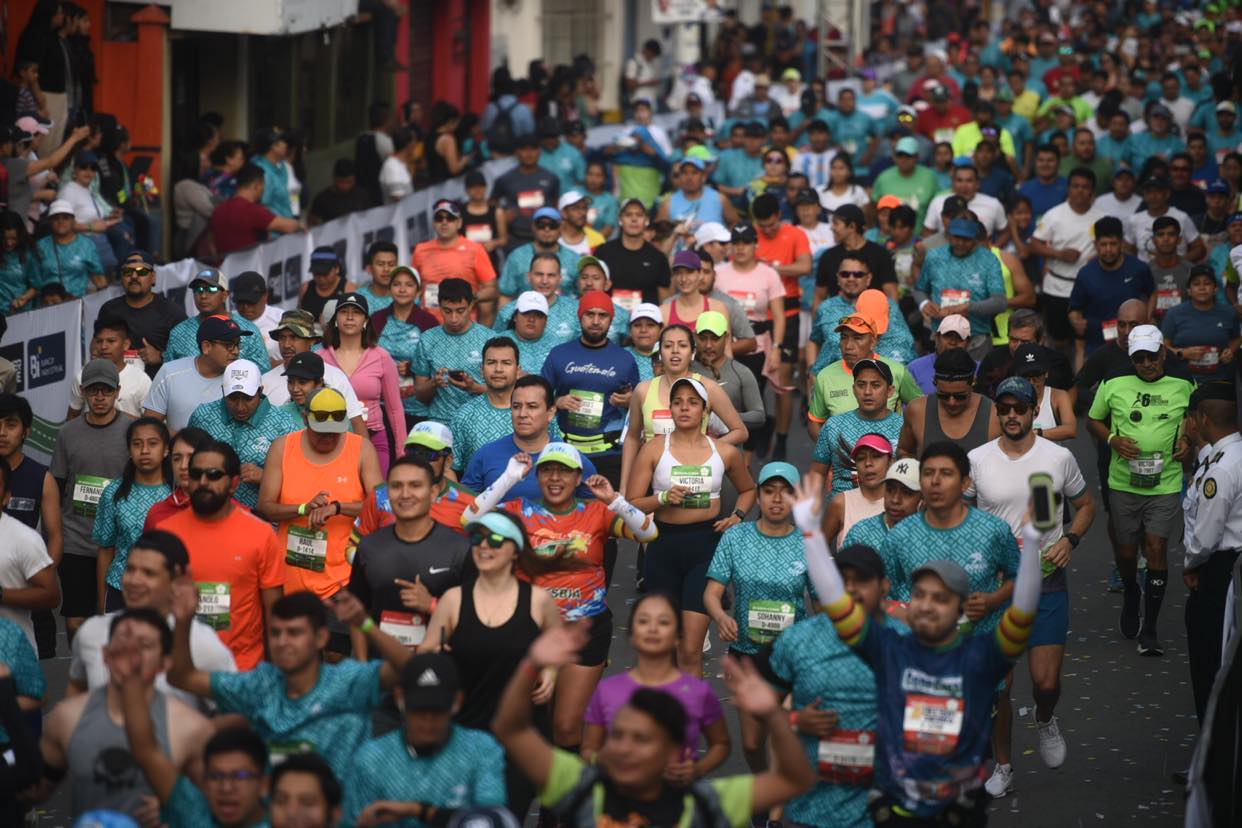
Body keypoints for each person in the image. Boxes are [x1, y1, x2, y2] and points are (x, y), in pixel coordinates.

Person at [792, 467, 1042, 824]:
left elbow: (1023, 611)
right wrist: (810, 532)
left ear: (960, 607)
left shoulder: (981, 656)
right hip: (894, 811)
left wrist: (1032, 543)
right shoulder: (890, 649)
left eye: (940, 598)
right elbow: (836, 602)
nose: (925, 604)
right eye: (920, 594)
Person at [492, 623, 814, 827]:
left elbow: (794, 779)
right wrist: (531, 665)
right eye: (617, 735)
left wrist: (773, 715)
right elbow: (511, 730)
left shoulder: (709, 802)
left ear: (674, 749)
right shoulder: (580, 786)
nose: (624, 748)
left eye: (642, 739)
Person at [463, 443, 658, 758]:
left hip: (585, 628)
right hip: (530, 628)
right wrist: (508, 478)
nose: (555, 478)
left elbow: (648, 533)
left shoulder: (596, 512)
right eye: (548, 470)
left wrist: (614, 500)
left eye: (564, 471)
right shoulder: (519, 510)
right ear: (538, 475)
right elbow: (470, 521)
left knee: (566, 728)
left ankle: (566, 800)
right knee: (529, 721)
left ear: (579, 477)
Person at [967, 376, 1095, 798]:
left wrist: (1070, 539)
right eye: (1004, 409)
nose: (1011, 416)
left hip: (1046, 581)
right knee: (999, 688)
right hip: (996, 584)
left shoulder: (1057, 457)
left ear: (1032, 410)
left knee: (1045, 683)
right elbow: (958, 511)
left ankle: (1045, 717)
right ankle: (1003, 765)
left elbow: (1086, 505)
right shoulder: (978, 459)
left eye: (1019, 409)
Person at [166, 585, 400, 784]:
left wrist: (366, 625)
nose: (282, 642)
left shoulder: (350, 682)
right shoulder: (260, 684)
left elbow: (410, 670)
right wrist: (184, 621)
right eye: (276, 633)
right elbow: (183, 677)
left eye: (294, 633)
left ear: (321, 638)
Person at [625, 377, 756, 675]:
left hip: (705, 548)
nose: (684, 408)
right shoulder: (654, 449)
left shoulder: (723, 451)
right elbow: (632, 503)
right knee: (665, 650)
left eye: (692, 402)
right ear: (670, 408)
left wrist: (736, 515)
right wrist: (662, 498)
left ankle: (694, 718)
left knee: (690, 651)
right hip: (662, 547)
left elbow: (749, 489)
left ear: (705, 411)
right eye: (678, 402)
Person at [768, 543, 896, 827]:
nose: (849, 589)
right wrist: (796, 719)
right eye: (841, 581)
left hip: (887, 809)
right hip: (813, 810)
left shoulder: (909, 643)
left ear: (884, 586)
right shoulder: (797, 640)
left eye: (861, 580)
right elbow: (767, 714)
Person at [38, 608, 212, 818]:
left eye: (144, 645)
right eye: (122, 644)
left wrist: (177, 805)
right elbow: (31, 790)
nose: (131, 654)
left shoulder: (190, 728)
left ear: (165, 663)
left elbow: (219, 803)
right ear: (105, 654)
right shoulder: (66, 718)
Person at [1087, 325, 1194, 656]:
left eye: (1152, 356)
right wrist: (1112, 439)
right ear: (1132, 358)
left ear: (1163, 352)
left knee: (1157, 547)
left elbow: (1196, 416)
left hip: (1165, 481)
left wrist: (1188, 441)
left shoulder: (1183, 383)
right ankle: (1132, 590)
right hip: (1124, 482)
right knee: (1127, 551)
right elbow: (1093, 419)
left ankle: (1150, 629)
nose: (1146, 363)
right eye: (1139, 358)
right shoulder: (1114, 383)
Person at [258, 388, 381, 655]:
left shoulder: (361, 449)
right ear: (305, 418)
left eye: (334, 431)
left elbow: (380, 505)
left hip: (342, 577)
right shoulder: (283, 447)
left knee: (337, 654)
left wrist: (337, 508)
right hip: (292, 575)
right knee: (294, 655)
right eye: (320, 431)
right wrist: (303, 508)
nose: (328, 438)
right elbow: (265, 506)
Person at [704, 461, 810, 771]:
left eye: (785, 492)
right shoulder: (736, 538)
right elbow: (711, 592)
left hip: (792, 656)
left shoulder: (808, 541)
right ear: (759, 497)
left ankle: (774, 815)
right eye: (769, 491)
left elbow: (823, 601)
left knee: (783, 734)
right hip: (746, 655)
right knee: (752, 742)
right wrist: (721, 618)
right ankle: (765, 791)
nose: (777, 499)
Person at [70, 528, 236, 705]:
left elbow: (234, 711)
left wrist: (194, 730)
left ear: (177, 579)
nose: (134, 581)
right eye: (130, 569)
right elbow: (77, 686)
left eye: (149, 573)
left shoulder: (203, 644)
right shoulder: (92, 631)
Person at [339, 650, 507, 825]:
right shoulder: (369, 759)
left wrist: (419, 811)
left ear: (457, 701)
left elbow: (493, 820)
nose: (428, 720)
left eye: (437, 710)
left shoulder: (482, 750)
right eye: (419, 709)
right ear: (399, 698)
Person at [582, 592, 730, 779]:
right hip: (619, 801)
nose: (653, 628)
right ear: (631, 634)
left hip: (677, 799)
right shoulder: (607, 690)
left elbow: (721, 744)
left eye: (663, 622)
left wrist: (698, 769)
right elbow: (589, 749)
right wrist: (607, 760)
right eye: (643, 621)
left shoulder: (698, 692)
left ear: (678, 636)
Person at [347, 456, 470, 654]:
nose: (405, 494)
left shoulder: (460, 550)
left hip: (438, 671)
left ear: (433, 492)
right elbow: (358, 614)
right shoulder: (370, 547)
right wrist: (363, 669)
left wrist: (431, 605)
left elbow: (474, 620)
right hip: (380, 671)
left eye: (415, 485)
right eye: (396, 486)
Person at [51, 359, 129, 645]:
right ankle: (81, 671)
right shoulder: (67, 433)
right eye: (93, 391)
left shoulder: (132, 431)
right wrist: (55, 534)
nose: (99, 397)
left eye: (106, 391)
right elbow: (56, 484)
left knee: (113, 621)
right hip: (77, 541)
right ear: (83, 392)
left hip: (118, 543)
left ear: (117, 392)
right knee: (75, 622)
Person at [1181, 383, 1242, 724]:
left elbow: (1206, 536)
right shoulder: (1232, 455)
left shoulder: (1220, 468)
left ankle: (1211, 758)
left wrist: (1191, 564)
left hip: (1220, 572)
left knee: (1209, 663)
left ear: (1203, 419)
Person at [541, 291, 640, 482]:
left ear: (611, 319)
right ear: (580, 316)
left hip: (609, 454)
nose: (596, 321)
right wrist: (557, 401)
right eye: (590, 314)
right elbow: (537, 398)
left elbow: (640, 405)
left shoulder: (625, 359)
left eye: (602, 315)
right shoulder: (559, 354)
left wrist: (631, 401)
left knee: (606, 511)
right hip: (565, 450)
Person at [463, 375, 600, 503]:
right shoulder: (486, 455)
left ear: (550, 412)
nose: (522, 414)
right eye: (516, 407)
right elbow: (463, 506)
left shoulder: (573, 459)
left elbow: (593, 510)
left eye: (532, 407)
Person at [186, 359, 300, 508]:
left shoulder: (284, 425)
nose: (240, 407)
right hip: (208, 513)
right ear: (223, 390)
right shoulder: (203, 416)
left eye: (247, 398)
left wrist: (265, 478)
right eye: (232, 398)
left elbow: (300, 479)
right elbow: (185, 461)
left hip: (260, 521)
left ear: (260, 391)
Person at [318, 292, 406, 474]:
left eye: (356, 313)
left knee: (374, 497)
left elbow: (395, 409)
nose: (350, 317)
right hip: (331, 440)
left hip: (374, 438)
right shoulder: (320, 357)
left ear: (365, 320)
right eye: (344, 312)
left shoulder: (381, 356)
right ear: (335, 319)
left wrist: (401, 452)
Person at [92, 417, 172, 612]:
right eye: (137, 444)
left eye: (153, 443)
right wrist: (102, 604)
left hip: (166, 592)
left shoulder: (178, 492)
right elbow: (105, 550)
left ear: (166, 450)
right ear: (129, 450)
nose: (144, 451)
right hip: (121, 589)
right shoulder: (114, 492)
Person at [1028, 167, 1108, 353]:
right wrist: (1059, 254)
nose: (1080, 190)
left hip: (1090, 287)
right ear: (1068, 188)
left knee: (1087, 339)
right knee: (1059, 340)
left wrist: (1098, 259)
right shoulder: (1054, 215)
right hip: (1057, 286)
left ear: (1092, 191)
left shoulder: (1102, 218)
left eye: (1085, 187)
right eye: (1075, 186)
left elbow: (1115, 246)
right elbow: (1034, 243)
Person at [807, 316, 922, 439]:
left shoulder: (897, 371)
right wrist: (829, 449)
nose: (848, 346)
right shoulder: (825, 376)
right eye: (844, 337)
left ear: (873, 342)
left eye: (857, 338)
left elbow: (921, 409)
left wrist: (907, 447)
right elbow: (815, 421)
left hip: (888, 455)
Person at [810, 358, 906, 497]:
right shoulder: (833, 426)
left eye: (876, 385)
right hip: (843, 511)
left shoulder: (904, 427)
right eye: (861, 385)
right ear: (854, 390)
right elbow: (817, 472)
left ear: (890, 391)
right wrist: (813, 511)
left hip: (888, 509)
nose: (867, 392)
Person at [916, 216, 1007, 358]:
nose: (960, 243)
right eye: (956, 237)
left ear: (975, 238)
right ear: (949, 235)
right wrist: (924, 304)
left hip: (976, 341)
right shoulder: (934, 257)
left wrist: (968, 307)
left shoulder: (988, 260)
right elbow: (919, 289)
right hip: (941, 340)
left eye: (966, 239)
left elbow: (1000, 302)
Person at [259, 310, 367, 428]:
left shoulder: (335, 377)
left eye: (294, 337)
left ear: (311, 341)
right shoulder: (265, 381)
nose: (286, 345)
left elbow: (356, 423)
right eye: (282, 338)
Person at [143, 314, 249, 432]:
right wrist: (180, 441)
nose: (236, 351)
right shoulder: (170, 373)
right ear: (206, 347)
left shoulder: (245, 376)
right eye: (229, 345)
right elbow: (149, 427)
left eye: (238, 344)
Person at [1068, 216, 1156, 356]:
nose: (1108, 249)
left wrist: (1148, 319)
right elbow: (1074, 308)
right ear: (1095, 245)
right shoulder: (1085, 273)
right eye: (1103, 244)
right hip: (1097, 347)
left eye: (1113, 244)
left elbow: (1152, 293)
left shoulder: (1139, 268)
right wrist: (1075, 321)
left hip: (1134, 345)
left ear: (1122, 243)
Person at [413, 278, 495, 425]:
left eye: (460, 311)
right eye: (447, 311)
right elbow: (420, 394)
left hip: (479, 422)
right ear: (439, 306)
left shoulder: (489, 339)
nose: (454, 318)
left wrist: (474, 387)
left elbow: (504, 391)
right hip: (439, 424)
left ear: (471, 306)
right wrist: (434, 383)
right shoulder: (427, 339)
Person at [807, 264, 915, 373]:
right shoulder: (838, 343)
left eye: (858, 274)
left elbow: (915, 373)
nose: (851, 278)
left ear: (890, 312)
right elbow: (816, 373)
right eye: (845, 274)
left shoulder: (903, 339)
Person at [97, 252, 187, 377]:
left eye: (142, 271)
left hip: (156, 388)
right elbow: (97, 346)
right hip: (114, 386)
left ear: (153, 277)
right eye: (128, 272)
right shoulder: (109, 309)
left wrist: (161, 356)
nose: (134, 276)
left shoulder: (172, 312)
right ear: (121, 277)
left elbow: (188, 354)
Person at [412, 199, 499, 324]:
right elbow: (414, 287)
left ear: (459, 223)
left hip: (463, 324)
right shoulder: (420, 250)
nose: (444, 222)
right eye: (439, 218)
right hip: (427, 324)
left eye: (450, 218)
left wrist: (472, 298)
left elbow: (492, 289)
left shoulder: (475, 249)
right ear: (434, 223)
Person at [898, 349, 997, 459]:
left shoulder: (993, 415)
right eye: (943, 396)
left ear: (973, 382)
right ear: (934, 383)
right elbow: (904, 451)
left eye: (960, 396)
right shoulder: (917, 410)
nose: (952, 402)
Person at [164, 267, 270, 368]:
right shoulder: (179, 333)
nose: (203, 296)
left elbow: (263, 375)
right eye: (198, 289)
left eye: (212, 289)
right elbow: (169, 375)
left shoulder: (249, 330)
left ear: (225, 295)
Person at [450, 337, 528, 473]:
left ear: (518, 370)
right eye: (491, 362)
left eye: (506, 363)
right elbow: (449, 469)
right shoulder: (463, 416)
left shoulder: (537, 414)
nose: (498, 369)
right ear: (481, 370)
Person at [691, 312, 767, 438]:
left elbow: (759, 416)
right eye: (703, 338)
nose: (708, 345)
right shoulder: (687, 369)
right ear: (695, 337)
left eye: (715, 339)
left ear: (726, 338)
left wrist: (721, 417)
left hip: (728, 451)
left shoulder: (741, 372)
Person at [1161, 265, 1240, 382]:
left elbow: (1237, 338)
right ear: (1188, 290)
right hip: (1182, 380)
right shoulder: (1174, 314)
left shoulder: (1229, 313)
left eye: (1207, 283)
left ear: (1215, 289)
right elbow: (1163, 346)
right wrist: (1182, 353)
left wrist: (1230, 351)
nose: (1202, 288)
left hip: (1220, 379)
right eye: (1196, 284)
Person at [594, 198, 672, 308]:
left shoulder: (658, 258)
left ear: (647, 220)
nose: (634, 219)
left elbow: (665, 301)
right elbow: (593, 290)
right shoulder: (603, 252)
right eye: (628, 215)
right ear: (620, 220)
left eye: (639, 215)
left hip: (646, 322)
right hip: (609, 321)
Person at [209, 163, 302, 256]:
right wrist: (301, 226)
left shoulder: (219, 210)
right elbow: (289, 227)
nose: (264, 189)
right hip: (248, 267)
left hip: (222, 266)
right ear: (256, 186)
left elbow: (211, 243)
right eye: (263, 184)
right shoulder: (252, 211)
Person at [67, 317, 151, 420]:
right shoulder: (82, 376)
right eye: (99, 341)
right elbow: (72, 417)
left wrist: (113, 416)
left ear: (126, 344)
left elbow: (149, 424)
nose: (103, 347)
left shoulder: (141, 380)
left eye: (111, 341)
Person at [814, 204, 899, 302]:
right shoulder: (828, 256)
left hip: (872, 316)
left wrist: (893, 316)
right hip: (837, 316)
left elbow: (892, 294)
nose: (832, 228)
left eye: (836, 223)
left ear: (852, 226)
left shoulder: (880, 254)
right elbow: (819, 297)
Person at [822, 434, 894, 547]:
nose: (868, 463)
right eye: (860, 458)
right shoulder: (841, 503)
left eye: (876, 456)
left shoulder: (902, 503)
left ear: (891, 462)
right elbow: (818, 551)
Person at [491, 134, 560, 247]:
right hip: (515, 239)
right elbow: (492, 204)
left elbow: (556, 206)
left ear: (539, 152)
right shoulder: (504, 179)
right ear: (517, 152)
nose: (529, 154)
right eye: (524, 149)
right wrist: (502, 217)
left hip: (547, 239)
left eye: (533, 149)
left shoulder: (551, 178)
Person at [35, 198, 103, 297]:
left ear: (73, 220)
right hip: (48, 305)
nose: (60, 221)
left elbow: (98, 277)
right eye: (56, 218)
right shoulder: (40, 246)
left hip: (78, 302)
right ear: (50, 221)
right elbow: (33, 279)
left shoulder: (87, 245)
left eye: (65, 217)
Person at [1010, 344, 1077, 442]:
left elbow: (1071, 429)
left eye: (1036, 376)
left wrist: (1036, 434)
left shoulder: (1058, 396)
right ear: (1016, 376)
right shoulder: (1007, 399)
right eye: (1025, 377)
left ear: (1046, 373)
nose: (1031, 382)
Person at [907, 314, 971, 394]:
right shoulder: (914, 369)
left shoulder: (978, 370)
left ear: (968, 343)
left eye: (959, 338)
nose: (953, 342)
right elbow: (907, 405)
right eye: (948, 336)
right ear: (936, 338)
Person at [299, 246, 356, 323]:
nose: (321, 278)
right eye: (317, 274)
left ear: (337, 269)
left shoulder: (349, 289)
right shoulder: (305, 288)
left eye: (325, 274)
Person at [309, 157, 371, 225]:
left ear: (354, 179)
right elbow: (312, 222)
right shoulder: (322, 199)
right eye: (341, 182)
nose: (345, 186)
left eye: (349, 182)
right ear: (334, 178)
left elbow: (368, 218)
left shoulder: (361, 195)